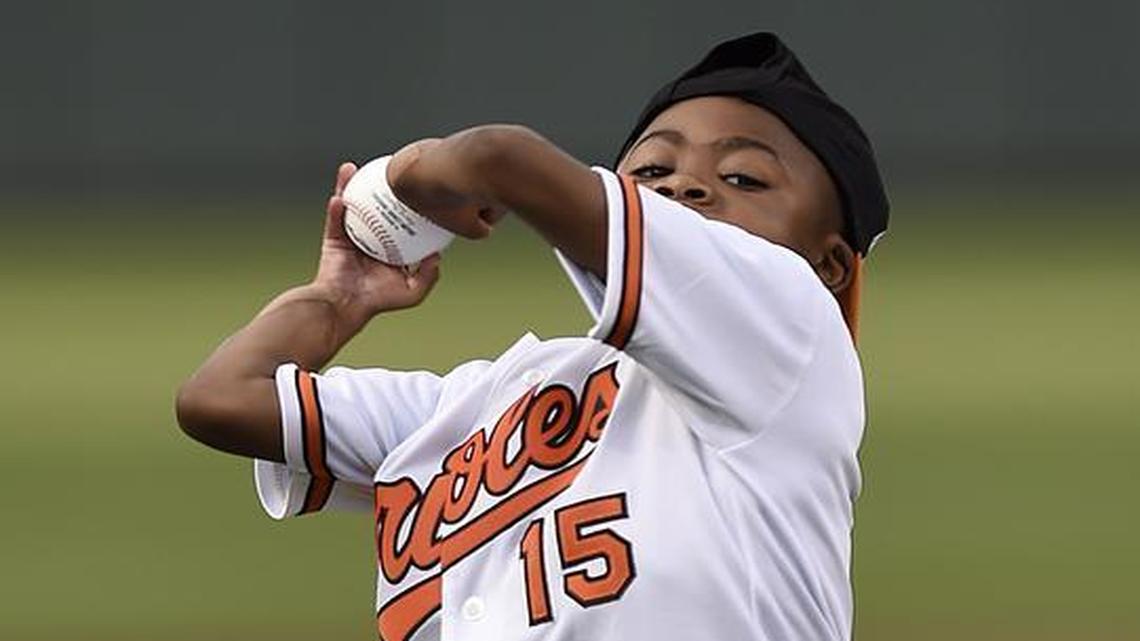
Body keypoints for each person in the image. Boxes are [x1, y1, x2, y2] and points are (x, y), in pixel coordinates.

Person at [176, 32, 888, 641]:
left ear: (828, 266)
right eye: (651, 169)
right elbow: (220, 400)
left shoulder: (790, 334)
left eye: (742, 176)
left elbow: (499, 160)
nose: (686, 187)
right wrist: (334, 302)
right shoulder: (493, 397)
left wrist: (408, 175)